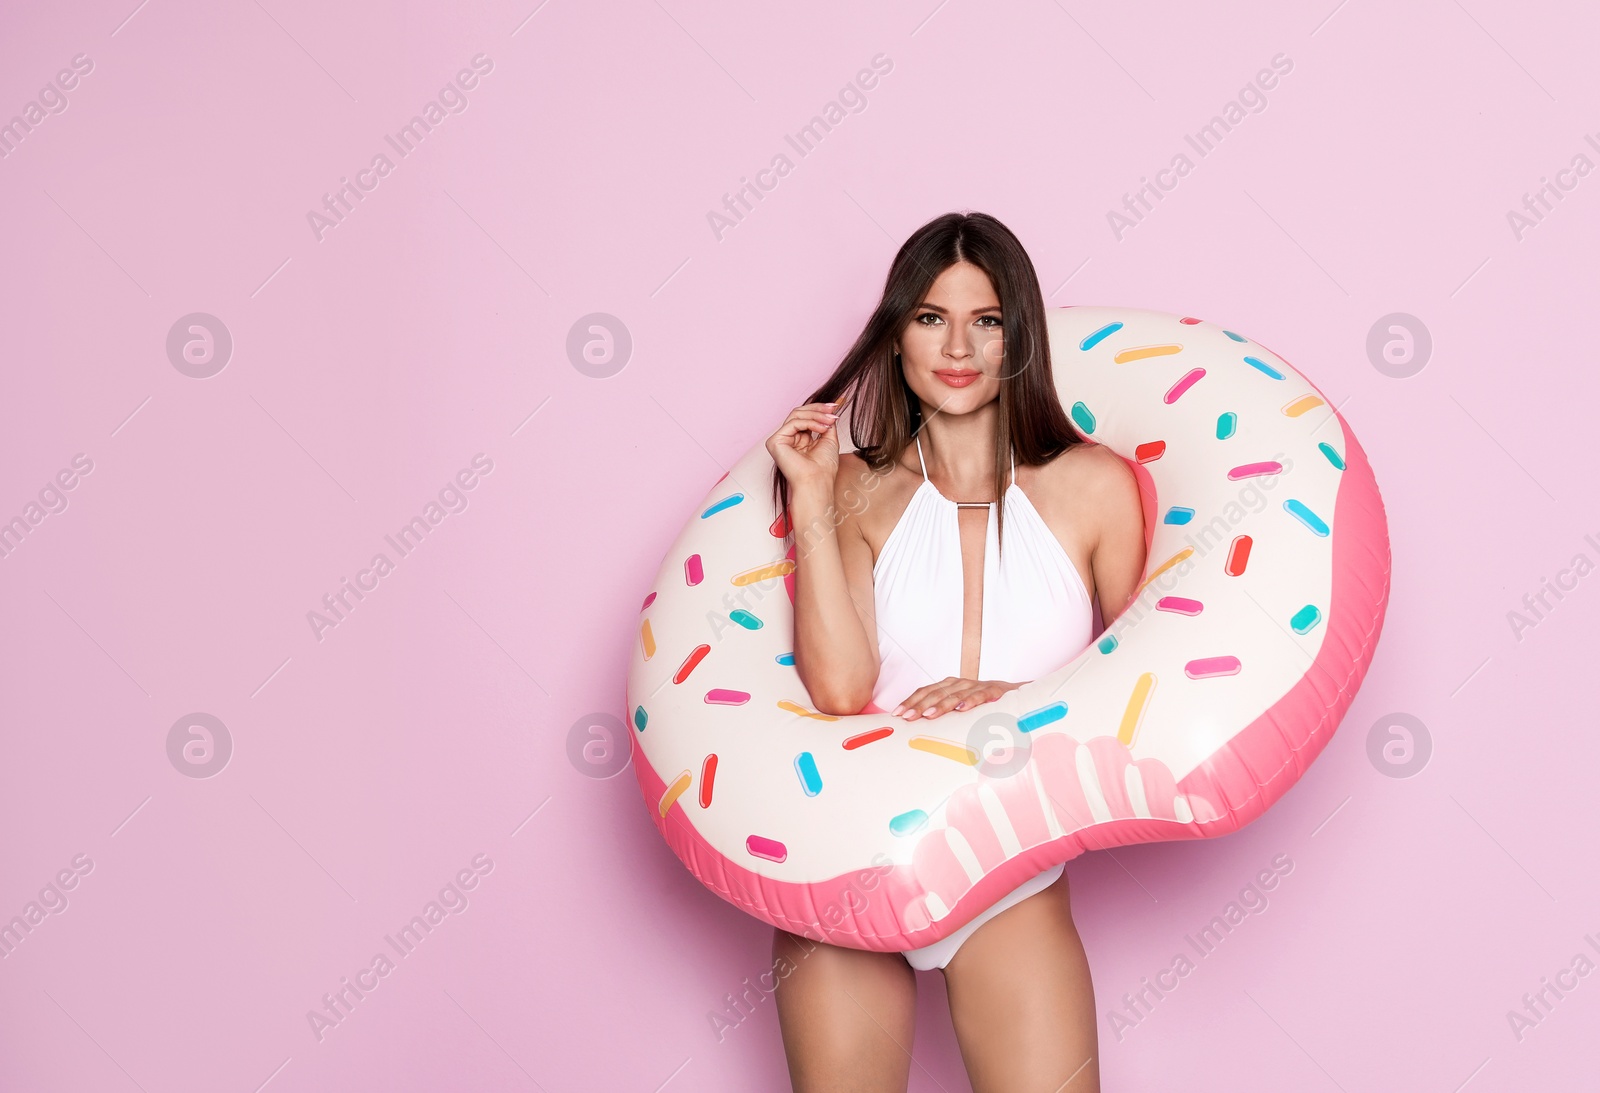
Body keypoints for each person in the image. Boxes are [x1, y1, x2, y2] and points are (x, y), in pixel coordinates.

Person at [762, 211, 1147, 1093]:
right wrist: (814, 494)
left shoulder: (1095, 487)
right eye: (932, 317)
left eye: (988, 319)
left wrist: (1013, 695)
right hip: (850, 852)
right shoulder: (854, 486)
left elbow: (1142, 695)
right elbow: (840, 686)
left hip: (1009, 868)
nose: (959, 346)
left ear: (1020, 334)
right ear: (896, 335)